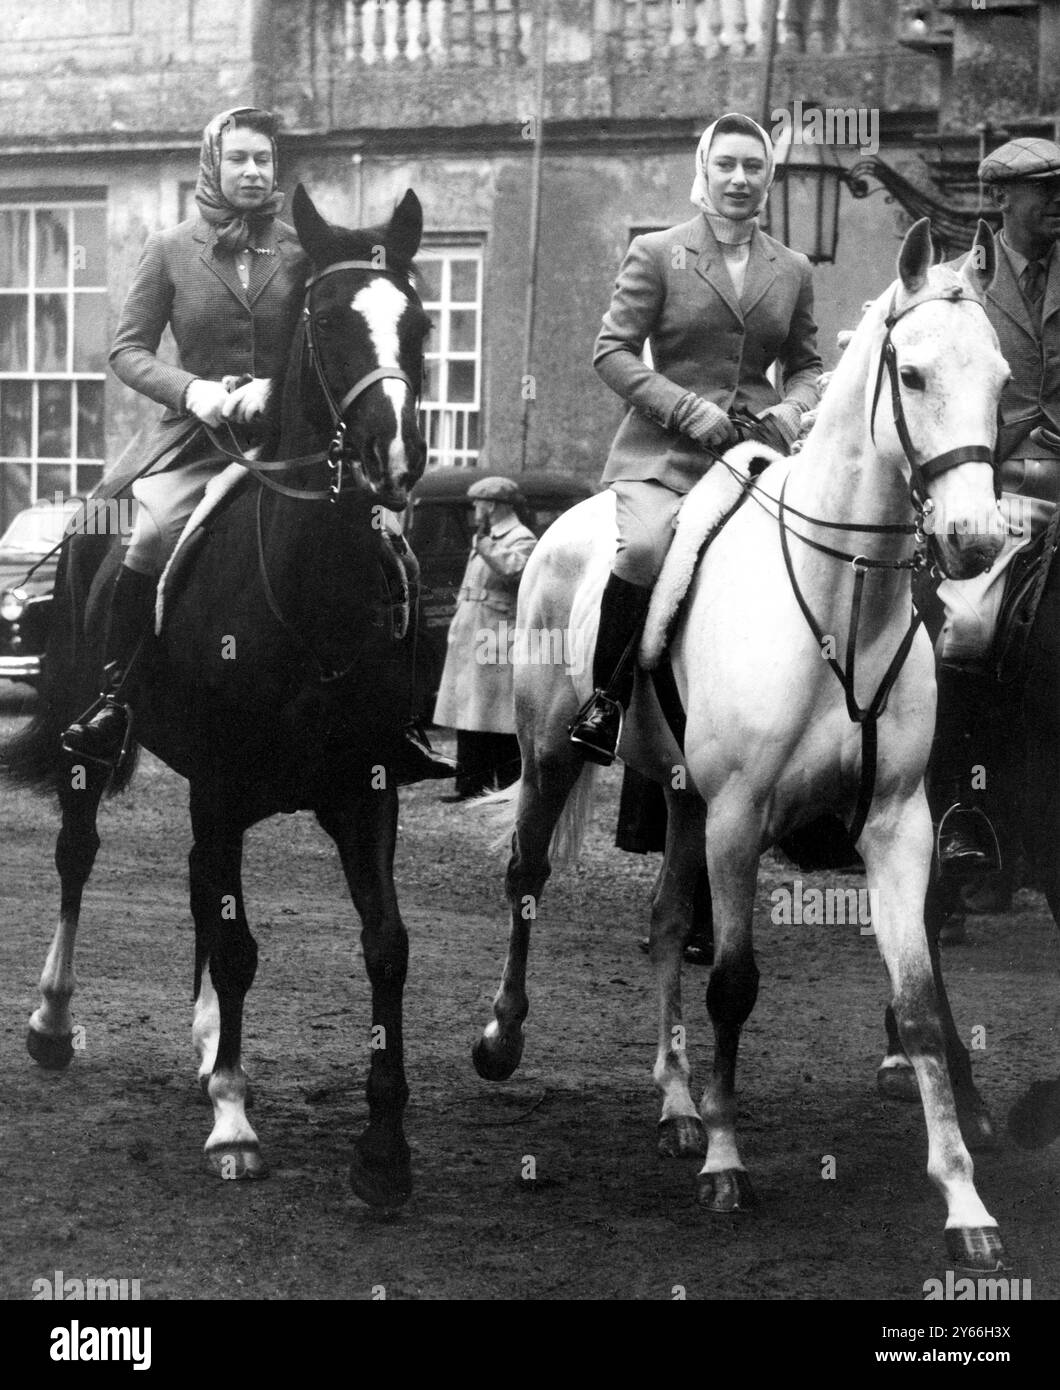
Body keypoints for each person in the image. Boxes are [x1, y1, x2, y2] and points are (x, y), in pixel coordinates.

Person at [63, 106, 450, 782]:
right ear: (212, 164)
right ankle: (114, 701)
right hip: (197, 440)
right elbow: (127, 351)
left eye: (263, 160)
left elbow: (336, 340)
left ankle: (398, 719)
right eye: (239, 158)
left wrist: (276, 390)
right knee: (147, 535)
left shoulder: (310, 249)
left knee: (397, 555)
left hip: (290, 441)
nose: (252, 171)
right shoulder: (169, 250)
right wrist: (197, 392)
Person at [569, 112, 823, 764]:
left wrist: (794, 410)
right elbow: (613, 352)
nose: (739, 179)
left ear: (769, 177)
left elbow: (805, 365)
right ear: (704, 171)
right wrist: (684, 408)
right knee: (644, 551)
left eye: (754, 167)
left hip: (756, 451)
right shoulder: (658, 251)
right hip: (666, 453)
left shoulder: (791, 267)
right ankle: (606, 699)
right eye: (727, 165)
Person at [932, 137, 1060, 880]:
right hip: (998, 491)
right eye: (1041, 190)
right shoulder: (956, 290)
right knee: (969, 630)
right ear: (1000, 200)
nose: (1056, 202)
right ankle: (964, 809)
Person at [432, 476, 538, 801]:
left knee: (499, 714)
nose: (475, 509)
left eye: (479, 503)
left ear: (491, 505)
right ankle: (470, 783)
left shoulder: (520, 537)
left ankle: (506, 784)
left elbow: (515, 570)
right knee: (470, 709)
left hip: (497, 631)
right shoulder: (486, 536)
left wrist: (486, 545)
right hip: (474, 627)